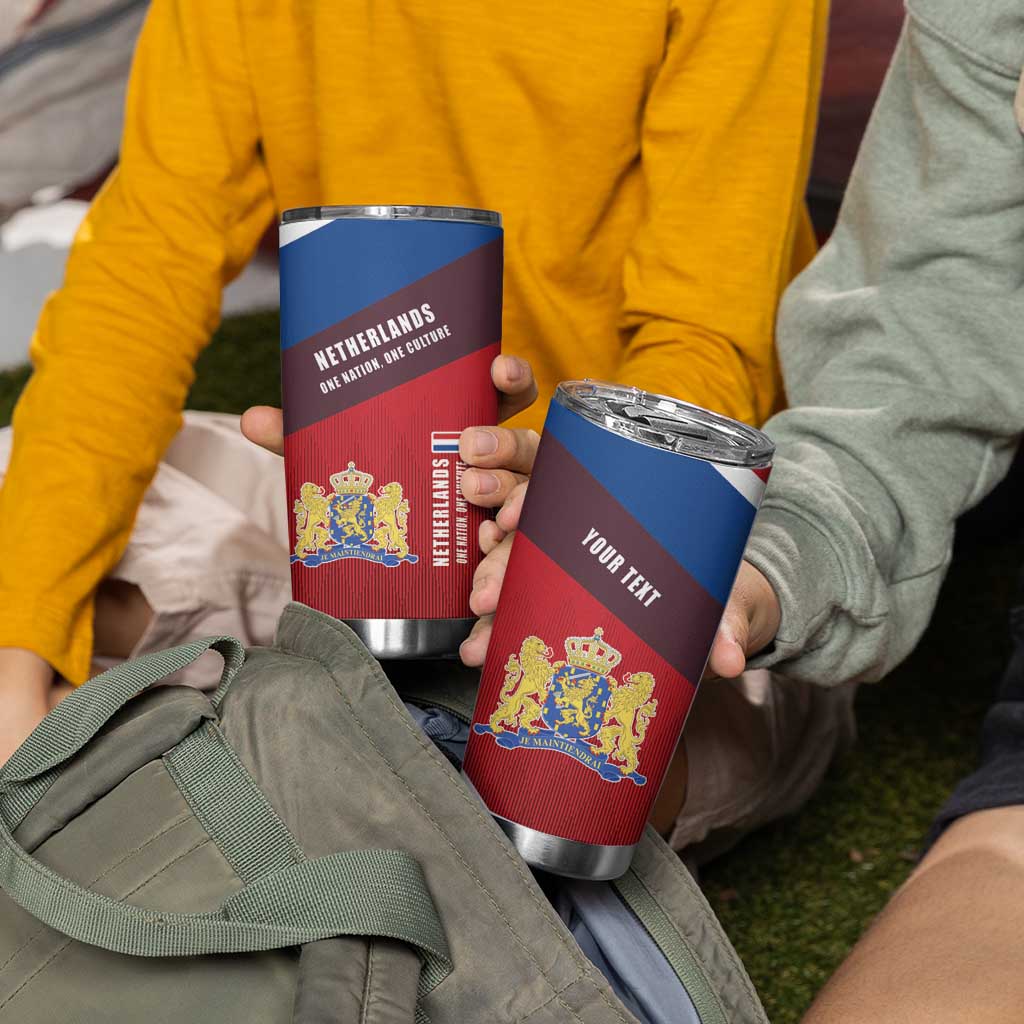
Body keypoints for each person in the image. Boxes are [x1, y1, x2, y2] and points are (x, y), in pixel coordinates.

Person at [0, 0, 828, 766]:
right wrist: (17, 651)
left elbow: (706, 345)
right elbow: (142, 275)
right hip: (364, 524)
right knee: (25, 504)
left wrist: (562, 540)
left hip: (637, 534)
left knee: (579, 746)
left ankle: (305, 746)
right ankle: (271, 729)